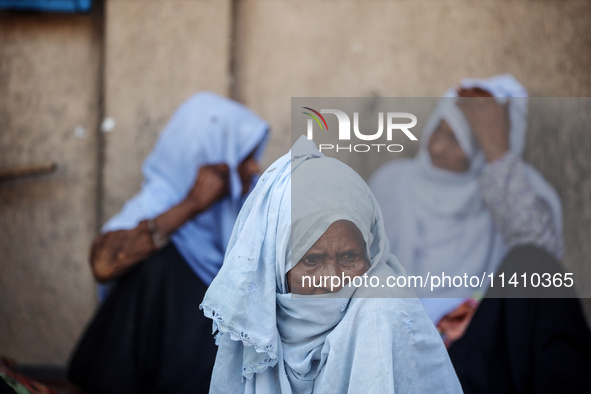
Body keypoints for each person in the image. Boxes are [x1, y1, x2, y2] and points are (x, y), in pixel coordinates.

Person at [369, 75, 591, 392]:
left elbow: (541, 260)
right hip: (405, 362)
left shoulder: (513, 189)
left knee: (531, 265)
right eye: (439, 130)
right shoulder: (391, 184)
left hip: (479, 358)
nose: (439, 148)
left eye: (461, 139)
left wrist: (497, 152)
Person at [200, 136, 463, 393]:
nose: (332, 280)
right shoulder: (255, 327)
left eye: (349, 257)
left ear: (370, 252)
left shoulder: (381, 312)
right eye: (311, 260)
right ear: (276, 266)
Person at [68, 92, 270, 393]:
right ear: (211, 157)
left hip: (205, 368)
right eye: (245, 157)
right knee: (154, 265)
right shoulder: (160, 203)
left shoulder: (252, 207)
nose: (255, 168)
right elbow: (104, 264)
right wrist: (191, 206)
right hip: (149, 368)